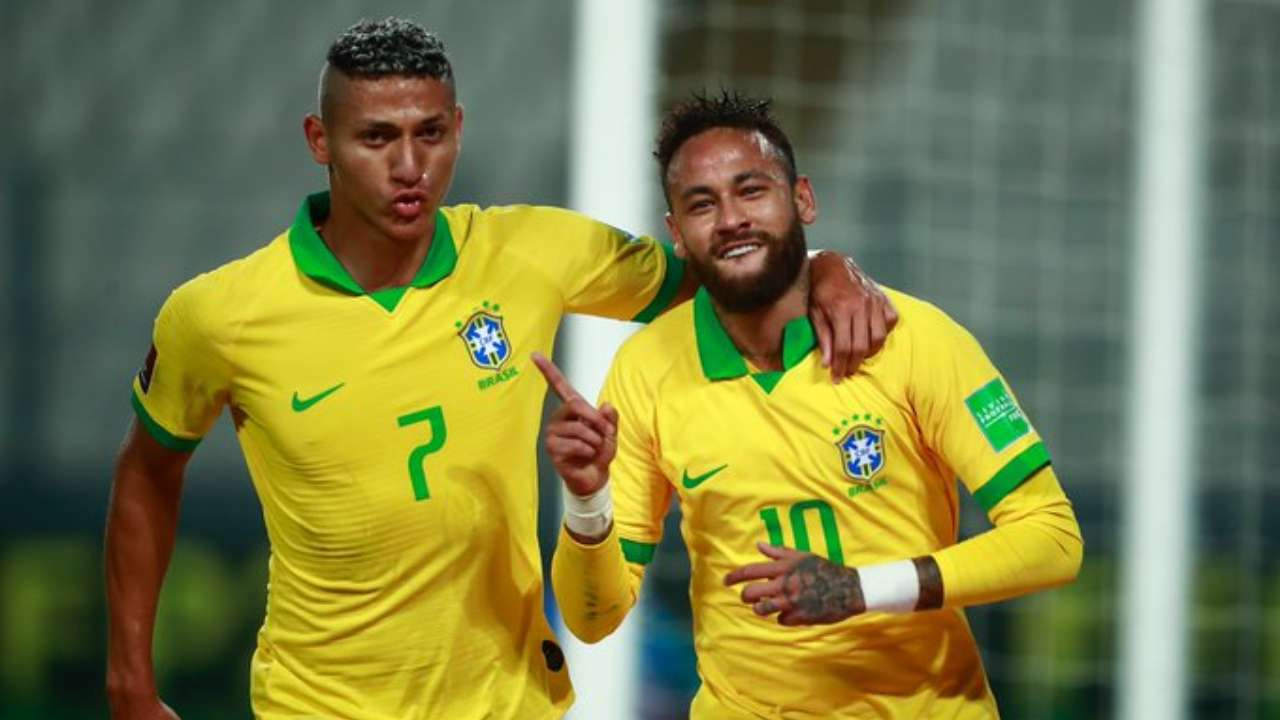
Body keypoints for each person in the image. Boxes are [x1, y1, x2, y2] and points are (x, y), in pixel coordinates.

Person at [102, 19, 897, 720]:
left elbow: (730, 269)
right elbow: (146, 473)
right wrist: (131, 682)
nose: (409, 165)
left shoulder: (530, 251)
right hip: (320, 704)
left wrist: (825, 266)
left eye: (430, 133)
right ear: (320, 141)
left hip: (508, 701)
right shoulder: (221, 315)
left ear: (458, 128)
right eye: (376, 138)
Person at [542, 91, 1084, 718]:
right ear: (677, 236)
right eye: (702, 204)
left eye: (751, 191)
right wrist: (587, 498)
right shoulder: (646, 370)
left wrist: (861, 588)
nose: (731, 219)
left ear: (803, 200)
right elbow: (593, 619)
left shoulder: (914, 339)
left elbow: (1052, 539)